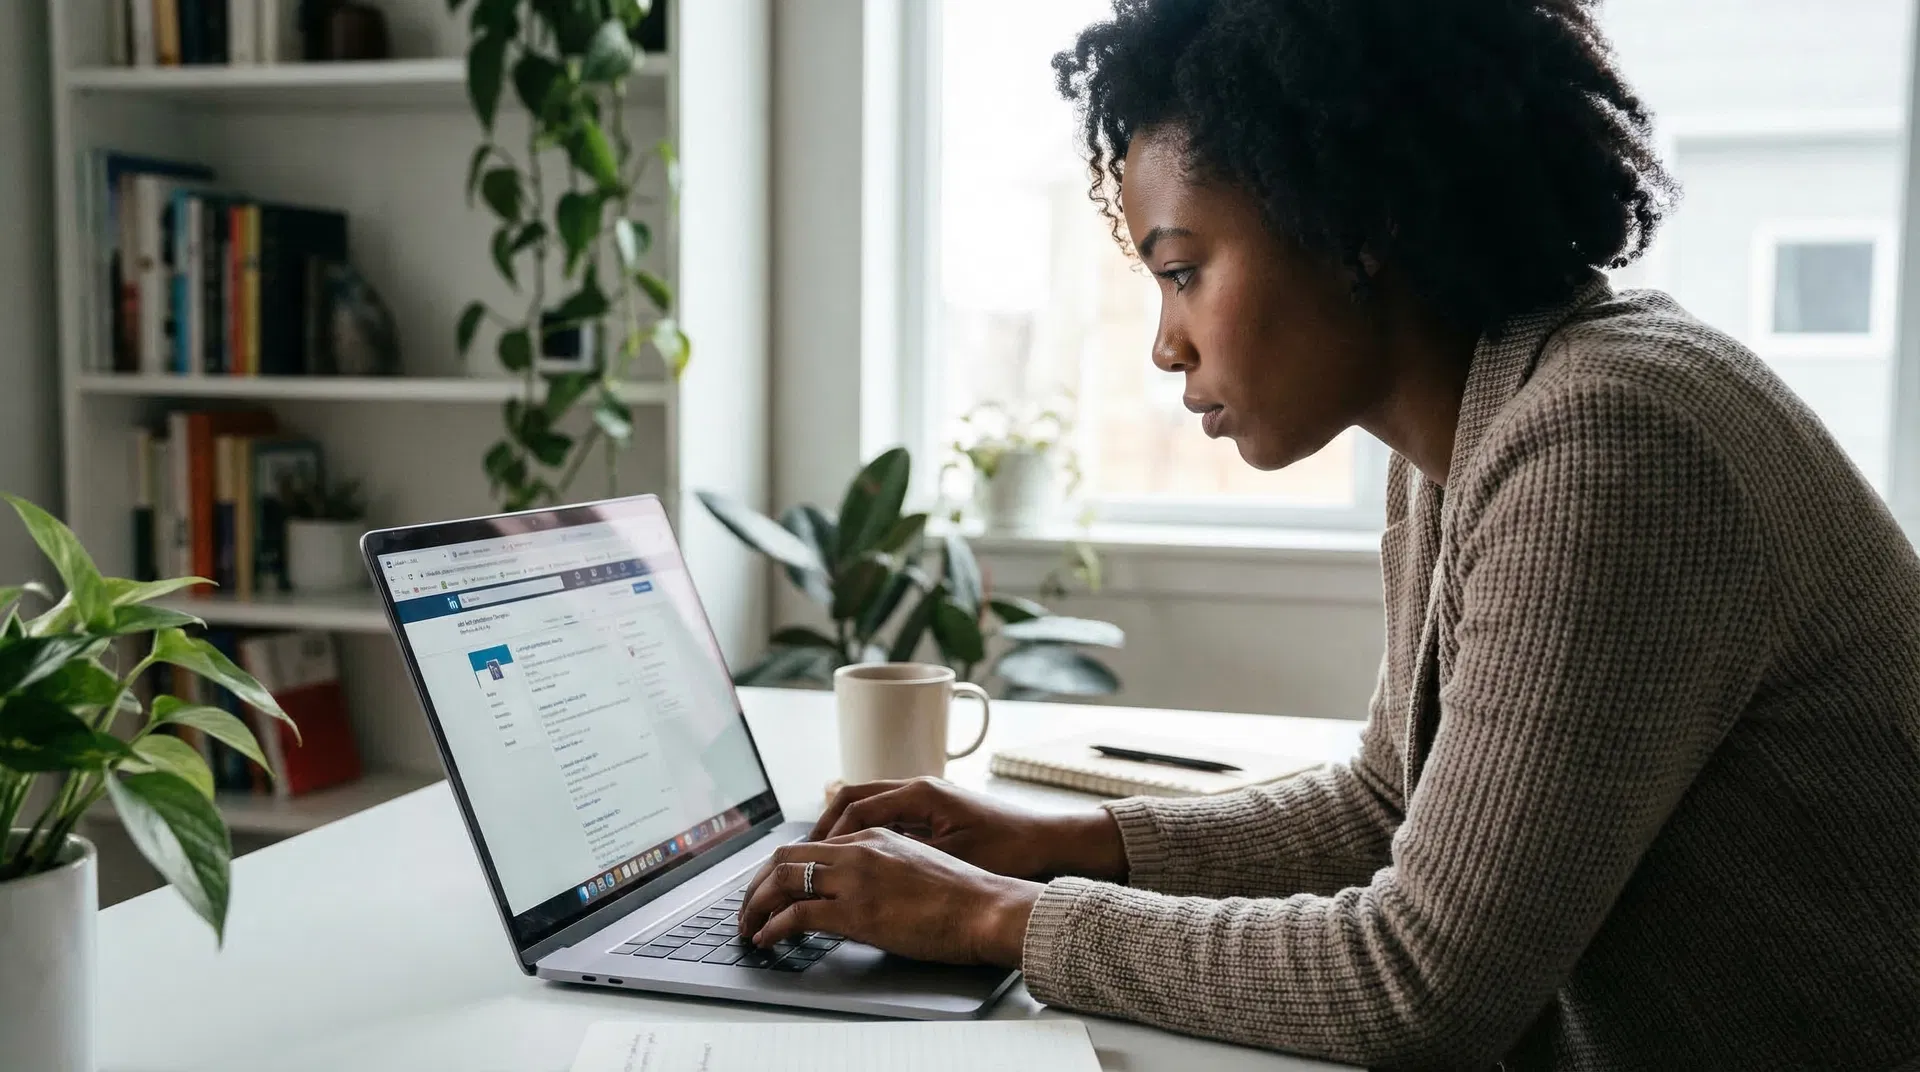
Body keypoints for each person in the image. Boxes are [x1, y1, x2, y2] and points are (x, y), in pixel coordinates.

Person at [736, 1, 1920, 1067]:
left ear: (1357, 221)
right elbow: (1386, 810)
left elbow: (1419, 983)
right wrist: (1057, 841)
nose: (1166, 343)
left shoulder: (1613, 441)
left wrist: (989, 916)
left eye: (1186, 270)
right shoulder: (1469, 433)